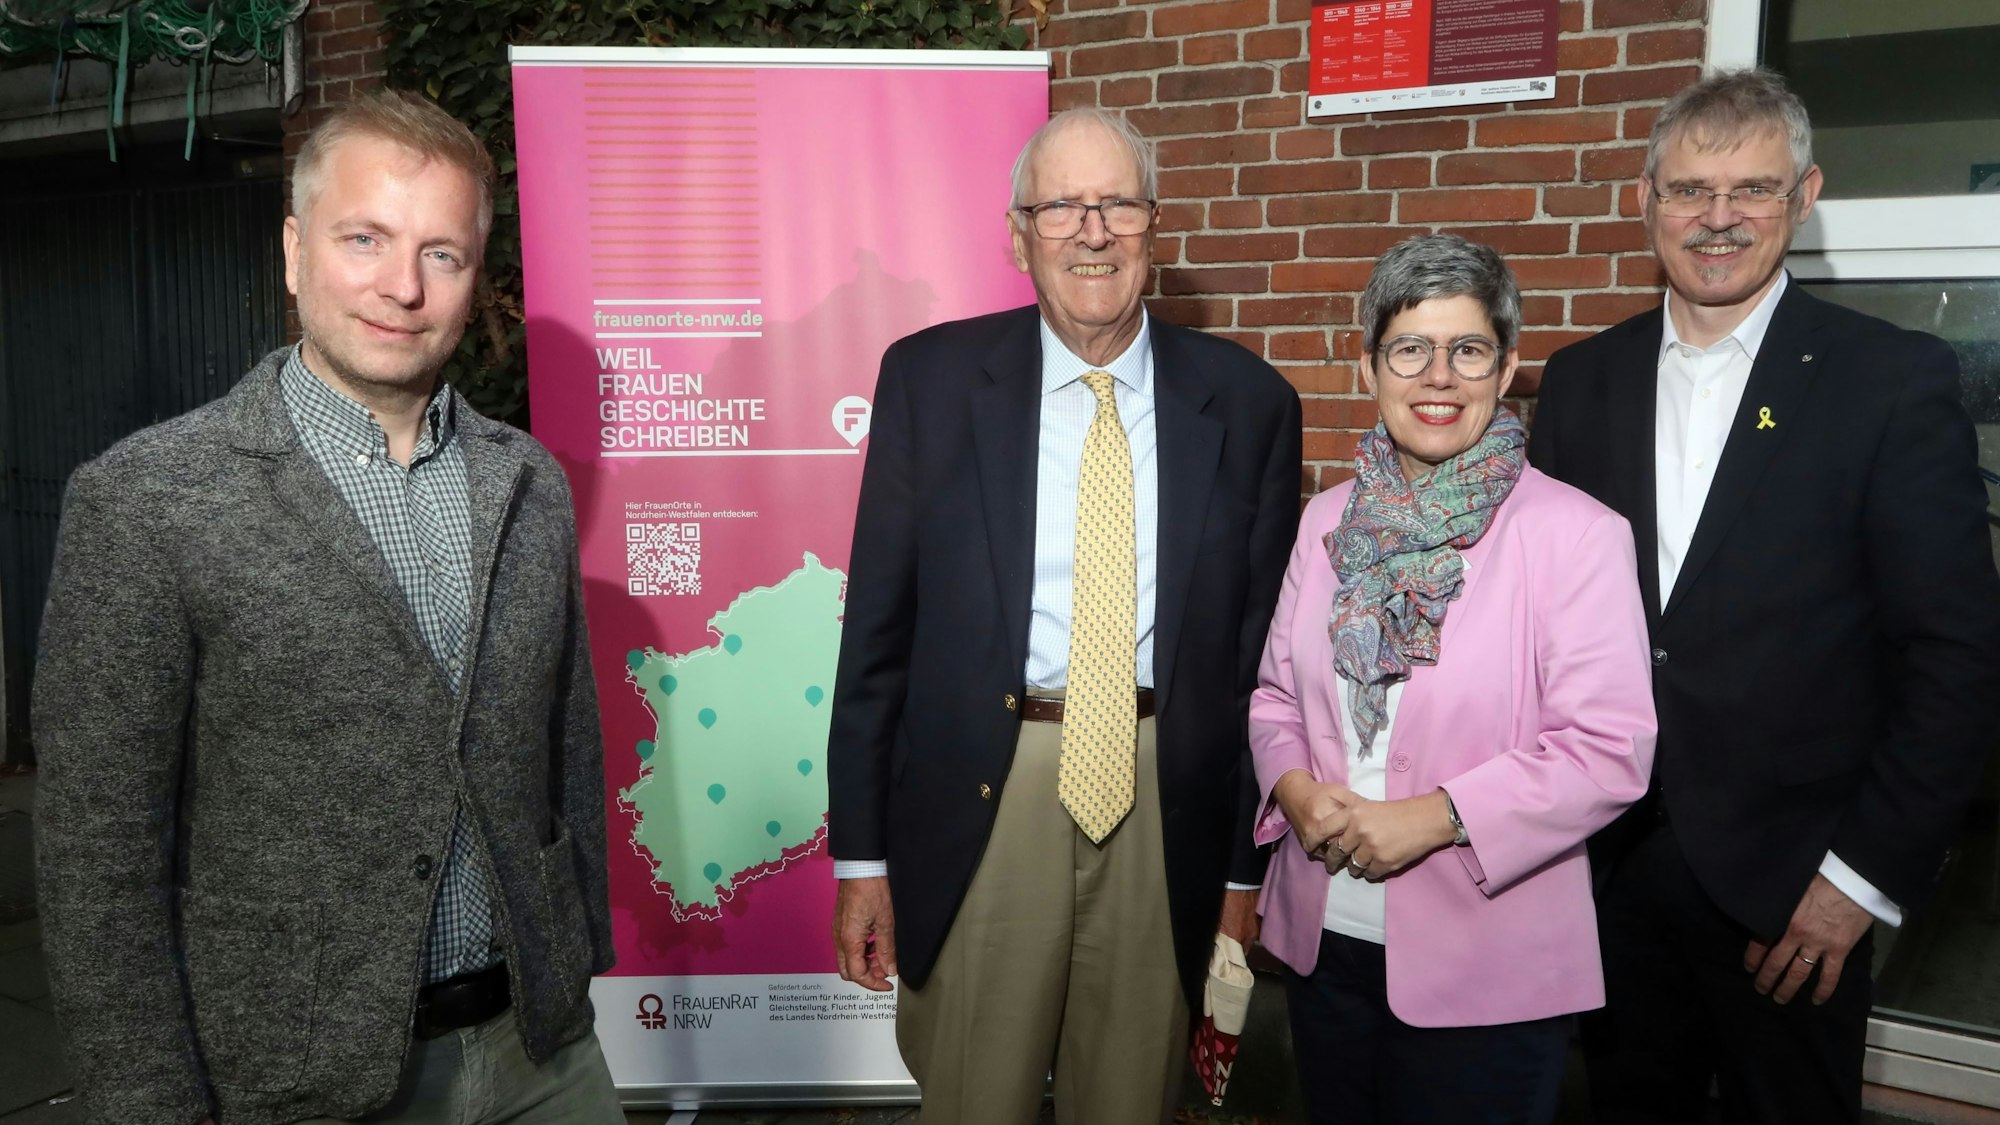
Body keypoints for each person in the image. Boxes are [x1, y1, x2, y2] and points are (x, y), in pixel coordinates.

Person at [32, 91, 621, 1125]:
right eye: (366, 239)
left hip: (544, 1058)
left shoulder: (526, 481)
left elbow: (563, 754)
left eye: (441, 254)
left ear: (473, 276)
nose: (402, 287)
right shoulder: (148, 501)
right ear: (296, 249)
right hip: (296, 1080)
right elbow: (98, 861)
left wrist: (576, 972)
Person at [1531, 68, 2000, 1123]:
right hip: (1605, 869)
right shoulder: (1579, 382)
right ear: (1643, 199)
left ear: (1803, 195)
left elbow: (1955, 657)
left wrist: (1857, 882)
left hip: (1792, 892)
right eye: (1689, 191)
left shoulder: (1887, 381)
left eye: (1751, 190)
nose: (1716, 219)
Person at [824, 107, 1302, 1125]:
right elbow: (878, 638)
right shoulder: (930, 381)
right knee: (974, 1100)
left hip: (1163, 802)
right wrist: (861, 860)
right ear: (1016, 235)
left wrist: (1239, 870)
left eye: (1116, 204)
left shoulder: (1249, 404)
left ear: (1154, 227)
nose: (1091, 231)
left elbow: (1259, 667)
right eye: (1060, 208)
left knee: (1130, 1102)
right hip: (984, 799)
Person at [1249, 233, 1657, 1123]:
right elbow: (1275, 694)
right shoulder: (1326, 521)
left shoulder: (1576, 534)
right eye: (1409, 349)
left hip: (1490, 966)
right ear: (1370, 368)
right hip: (1327, 944)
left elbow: (1608, 749)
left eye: (1467, 349)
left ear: (1505, 367)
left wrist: (1430, 820)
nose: (1438, 377)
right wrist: (1294, 789)